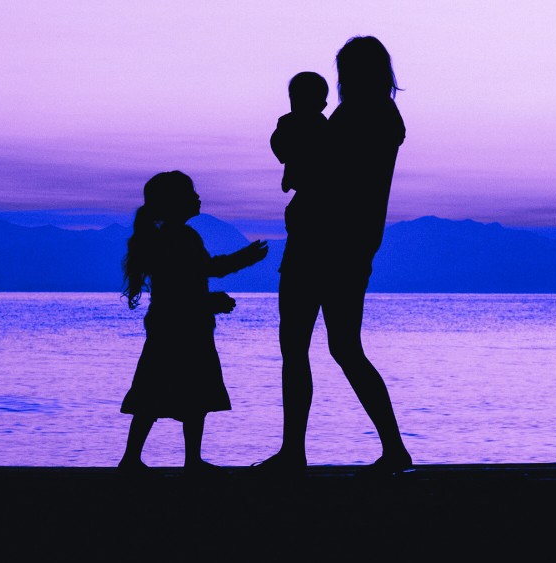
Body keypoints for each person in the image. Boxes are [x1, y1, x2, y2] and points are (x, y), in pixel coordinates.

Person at [257, 36, 413, 476]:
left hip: (322, 243)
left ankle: (296, 453)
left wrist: (297, 141)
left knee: (302, 347)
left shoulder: (360, 117)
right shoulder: (378, 116)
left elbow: (322, 170)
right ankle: (387, 448)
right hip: (349, 245)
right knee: (341, 347)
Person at [117, 170, 268, 475]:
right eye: (190, 193)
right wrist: (239, 266)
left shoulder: (169, 237)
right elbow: (189, 281)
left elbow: (190, 278)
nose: (198, 197)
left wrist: (212, 297)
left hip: (168, 325)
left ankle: (137, 459)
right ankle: (186, 462)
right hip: (184, 327)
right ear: (174, 202)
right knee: (191, 394)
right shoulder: (179, 237)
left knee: (158, 392)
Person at [271, 71, 329, 195]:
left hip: (308, 174)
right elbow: (277, 142)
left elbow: (276, 143)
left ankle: (288, 179)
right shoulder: (322, 123)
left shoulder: (287, 122)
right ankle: (289, 178)